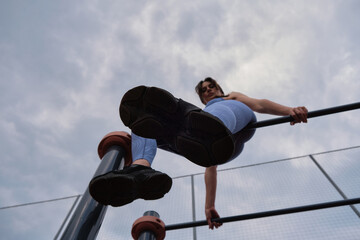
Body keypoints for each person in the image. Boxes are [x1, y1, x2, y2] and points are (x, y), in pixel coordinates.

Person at [89, 77, 308, 230]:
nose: (207, 90)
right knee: (142, 126)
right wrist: (209, 205)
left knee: (215, 112)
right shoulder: (198, 122)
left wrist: (289, 110)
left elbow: (259, 104)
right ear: (201, 96)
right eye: (203, 90)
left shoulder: (230, 97)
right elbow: (210, 166)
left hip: (236, 126)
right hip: (207, 143)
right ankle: (140, 170)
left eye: (210, 86)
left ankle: (209, 126)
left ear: (218, 87)